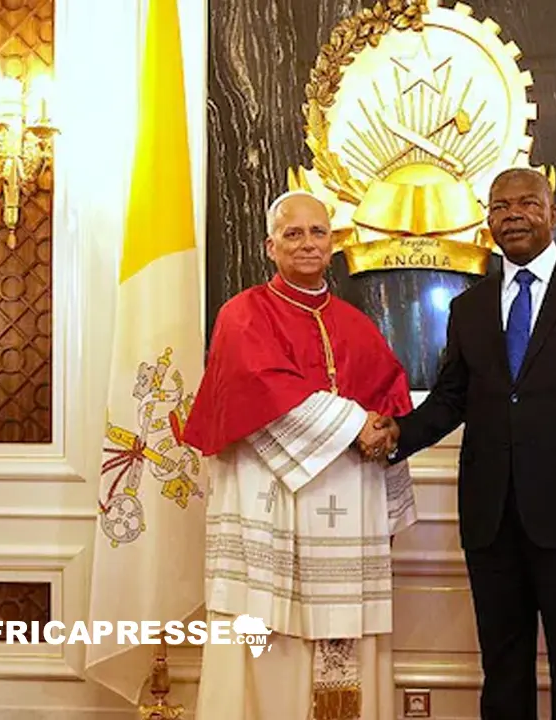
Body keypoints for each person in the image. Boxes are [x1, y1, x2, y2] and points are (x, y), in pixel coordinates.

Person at [365, 168, 556, 719]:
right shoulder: (469, 307)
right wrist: (398, 433)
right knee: (502, 660)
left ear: (553, 213)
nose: (513, 215)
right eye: (500, 206)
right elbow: (452, 398)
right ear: (488, 220)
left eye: (527, 203)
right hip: (490, 514)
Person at [182, 190, 417, 720]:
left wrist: (386, 430)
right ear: (271, 246)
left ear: (333, 243)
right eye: (293, 234)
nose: (307, 243)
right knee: (268, 639)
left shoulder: (357, 325)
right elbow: (261, 386)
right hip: (268, 505)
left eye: (318, 232)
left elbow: (390, 397)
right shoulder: (243, 315)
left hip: (347, 506)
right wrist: (356, 425)